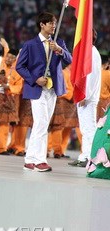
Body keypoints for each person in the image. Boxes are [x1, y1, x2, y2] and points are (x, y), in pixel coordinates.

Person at [15, 12, 72, 172]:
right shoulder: (30, 45)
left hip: (52, 89)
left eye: (55, 23)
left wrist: (60, 50)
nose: (54, 26)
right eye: (51, 23)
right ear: (42, 24)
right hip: (37, 89)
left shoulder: (58, 42)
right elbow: (19, 66)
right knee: (41, 123)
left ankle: (29, 160)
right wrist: (34, 79)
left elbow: (70, 60)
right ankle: (40, 160)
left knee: (42, 124)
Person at [69, 29, 102, 167]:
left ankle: (91, 157)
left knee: (89, 128)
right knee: (84, 129)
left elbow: (91, 77)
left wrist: (84, 95)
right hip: (84, 96)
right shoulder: (88, 53)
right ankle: (85, 156)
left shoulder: (92, 53)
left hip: (88, 97)